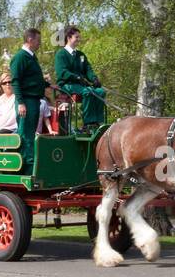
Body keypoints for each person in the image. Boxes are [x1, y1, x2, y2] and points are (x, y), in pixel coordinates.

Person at [53, 26, 106, 132]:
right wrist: (77, 77)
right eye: (76, 37)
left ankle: (98, 121)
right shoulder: (61, 54)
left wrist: (94, 79)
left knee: (100, 91)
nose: (79, 39)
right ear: (69, 37)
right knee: (88, 92)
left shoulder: (81, 55)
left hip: (81, 85)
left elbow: (88, 69)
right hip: (67, 85)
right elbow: (62, 72)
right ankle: (88, 122)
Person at [9, 29, 46, 171]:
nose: (40, 43)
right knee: (25, 133)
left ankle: (29, 163)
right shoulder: (20, 57)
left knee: (31, 132)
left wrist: (47, 85)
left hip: (34, 100)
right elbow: (16, 81)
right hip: (26, 101)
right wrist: (21, 103)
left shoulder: (31, 57)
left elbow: (32, 79)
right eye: (38, 40)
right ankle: (25, 166)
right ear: (30, 40)